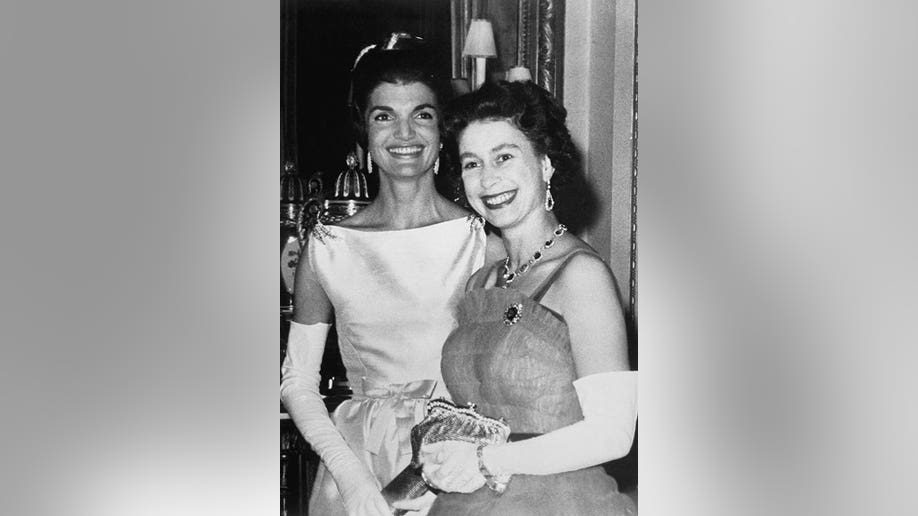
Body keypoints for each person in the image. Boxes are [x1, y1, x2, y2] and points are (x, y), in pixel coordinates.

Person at [280, 34, 500, 516]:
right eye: (385, 116)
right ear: (363, 129)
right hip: (358, 465)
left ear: (443, 129)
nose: (405, 134)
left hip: (456, 458)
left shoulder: (483, 243)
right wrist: (351, 476)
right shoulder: (327, 248)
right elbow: (297, 381)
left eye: (421, 114)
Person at [418, 80, 638, 515]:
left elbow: (615, 433)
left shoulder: (581, 276)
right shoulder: (480, 283)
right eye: (471, 164)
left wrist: (487, 460)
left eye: (504, 157)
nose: (488, 178)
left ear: (545, 164)